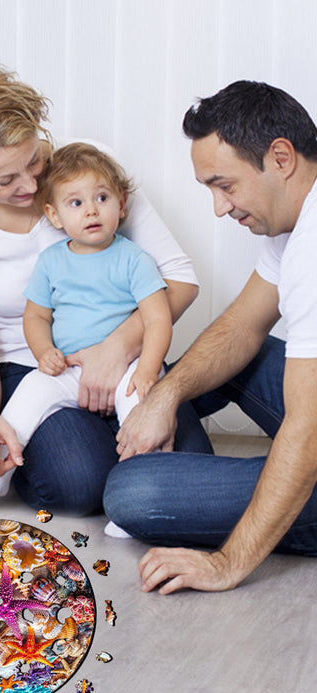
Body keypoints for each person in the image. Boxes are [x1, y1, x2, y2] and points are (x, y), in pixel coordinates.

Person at [0, 66, 212, 514]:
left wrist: (116, 349)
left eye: (34, 160)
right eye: (5, 180)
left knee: (190, 465)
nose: (32, 186)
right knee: (82, 485)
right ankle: (51, 450)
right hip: (32, 366)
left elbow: (179, 279)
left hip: (128, 349)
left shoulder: (89, 174)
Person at [104, 80, 317, 594]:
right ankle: (174, 445)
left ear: (281, 157)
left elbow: (308, 430)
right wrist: (165, 397)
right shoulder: (294, 221)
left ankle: (242, 490)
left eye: (226, 185)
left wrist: (226, 563)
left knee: (135, 493)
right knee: (230, 357)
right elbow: (242, 326)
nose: (220, 208)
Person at [0, 143, 172, 501]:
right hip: (69, 367)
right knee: (28, 396)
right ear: (55, 215)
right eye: (76, 203)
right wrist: (44, 351)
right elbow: (37, 316)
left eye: (102, 198)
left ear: (121, 205)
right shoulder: (51, 261)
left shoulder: (133, 259)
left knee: (141, 418)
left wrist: (147, 370)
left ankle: (138, 496)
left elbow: (157, 319)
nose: (91, 210)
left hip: (126, 367)